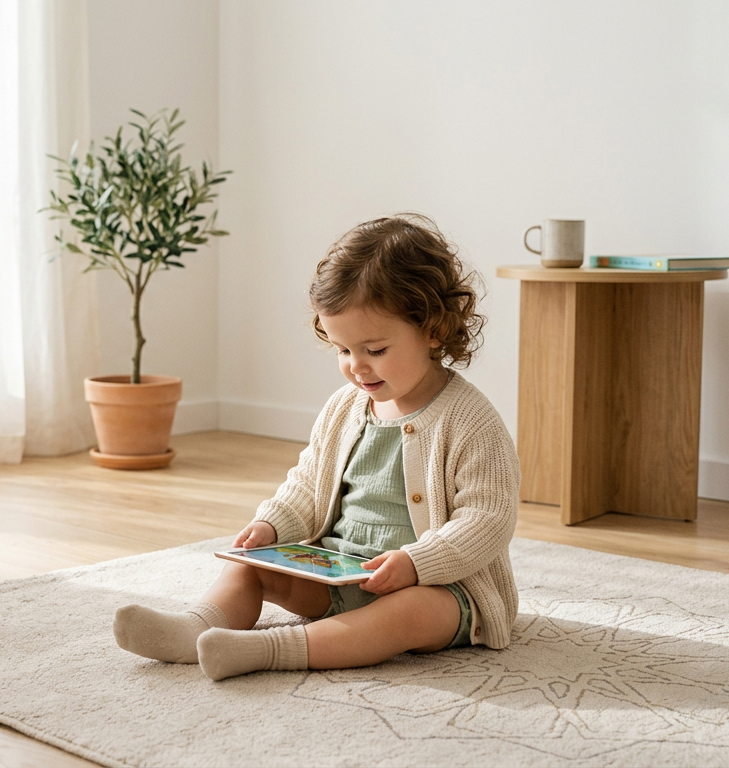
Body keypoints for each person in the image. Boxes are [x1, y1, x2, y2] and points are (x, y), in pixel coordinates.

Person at [112, 213, 520, 681]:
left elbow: (488, 520)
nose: (356, 367)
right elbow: (308, 483)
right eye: (343, 350)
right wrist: (272, 525)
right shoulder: (346, 408)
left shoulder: (470, 419)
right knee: (250, 569)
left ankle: (268, 649)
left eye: (375, 350)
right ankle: (194, 630)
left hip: (442, 590)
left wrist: (415, 563)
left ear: (432, 328)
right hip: (339, 573)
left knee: (408, 614)